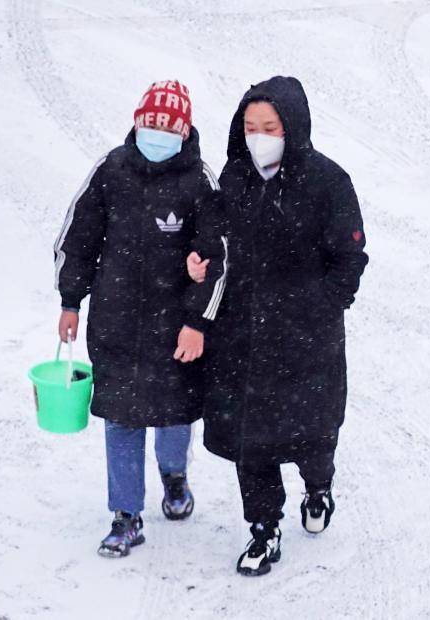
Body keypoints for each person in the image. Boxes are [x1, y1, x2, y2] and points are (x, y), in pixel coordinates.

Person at [187, 76, 368, 576]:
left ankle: (318, 486)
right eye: (249, 126)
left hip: (307, 339)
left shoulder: (328, 181)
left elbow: (350, 258)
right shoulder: (236, 178)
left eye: (270, 126)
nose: (258, 136)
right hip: (243, 336)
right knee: (253, 441)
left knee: (313, 433)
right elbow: (213, 232)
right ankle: (264, 530)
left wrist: (321, 307)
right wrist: (201, 257)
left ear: (293, 126)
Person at [53, 80, 226, 558]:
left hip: (176, 331)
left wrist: (197, 321)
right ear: (136, 119)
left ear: (185, 129)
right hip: (116, 324)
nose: (158, 131)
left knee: (174, 414)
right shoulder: (111, 171)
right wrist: (71, 301)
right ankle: (125, 514)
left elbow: (217, 257)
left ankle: (174, 475)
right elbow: (78, 239)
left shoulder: (200, 182)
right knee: (121, 420)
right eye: (151, 121)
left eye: (169, 125)